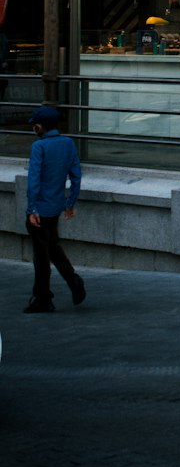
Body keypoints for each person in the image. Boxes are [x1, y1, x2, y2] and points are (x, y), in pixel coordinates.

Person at [23, 105, 86, 314]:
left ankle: (43, 298)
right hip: (56, 206)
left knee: (41, 256)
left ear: (40, 126)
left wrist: (32, 208)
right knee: (52, 247)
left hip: (39, 209)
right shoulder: (68, 144)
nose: (34, 129)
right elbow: (76, 177)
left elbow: (33, 182)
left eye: (35, 125)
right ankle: (73, 281)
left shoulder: (38, 147)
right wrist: (70, 204)